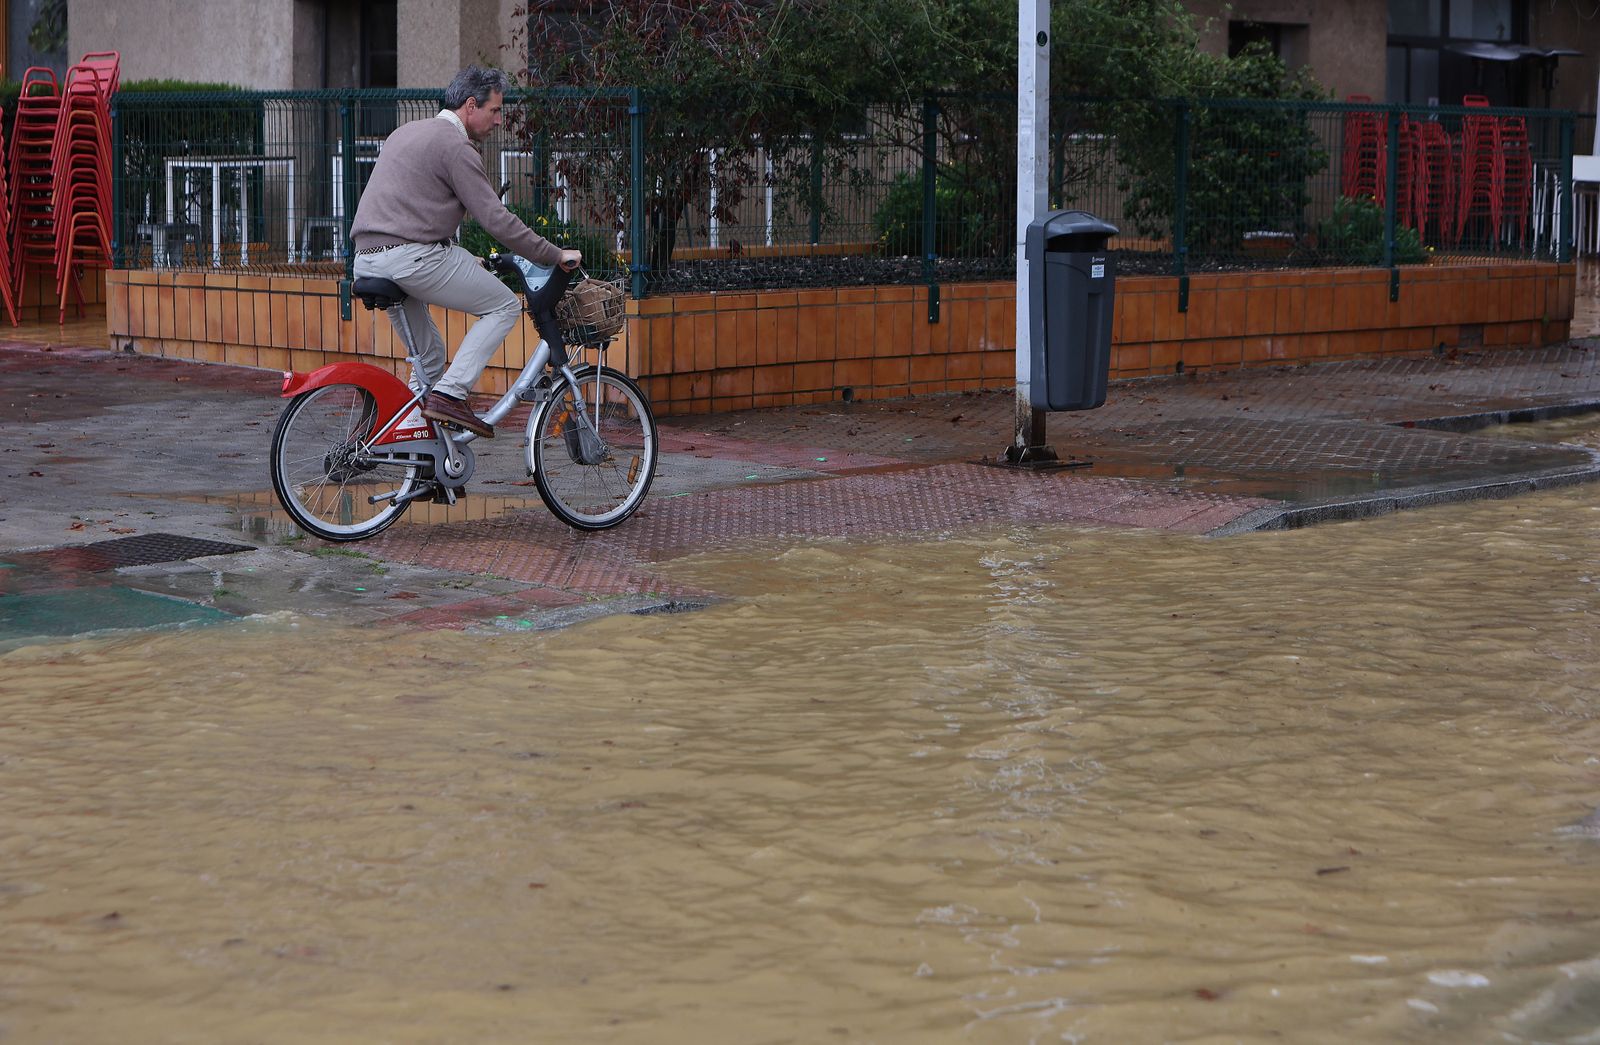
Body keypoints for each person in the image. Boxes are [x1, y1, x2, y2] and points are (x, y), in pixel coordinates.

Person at [350, 65, 580, 439]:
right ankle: (451, 396)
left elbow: (409, 208)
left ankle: (400, 437)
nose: (499, 121)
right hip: (411, 259)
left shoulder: (403, 133)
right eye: (495, 111)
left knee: (429, 357)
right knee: (503, 305)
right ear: (470, 106)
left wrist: (452, 250)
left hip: (367, 260)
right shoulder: (456, 147)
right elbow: (496, 219)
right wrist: (553, 253)